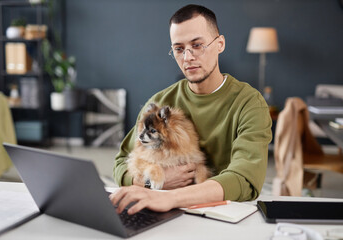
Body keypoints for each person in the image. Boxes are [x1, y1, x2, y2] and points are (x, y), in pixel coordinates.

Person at [110, 4, 272, 215]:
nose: (187, 57)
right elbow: (121, 162)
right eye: (179, 49)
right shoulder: (160, 102)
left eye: (197, 45)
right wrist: (153, 183)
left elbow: (245, 179)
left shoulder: (249, 103)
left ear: (220, 44)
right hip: (164, 214)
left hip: (225, 215)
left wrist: (170, 198)